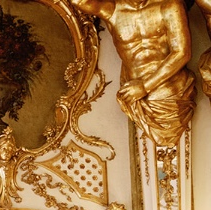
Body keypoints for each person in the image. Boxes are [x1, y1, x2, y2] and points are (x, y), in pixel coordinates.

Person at [71, 0, 195, 147]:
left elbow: (182, 53)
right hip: (136, 97)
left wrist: (144, 87)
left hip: (171, 93)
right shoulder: (113, 10)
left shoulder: (170, 5)